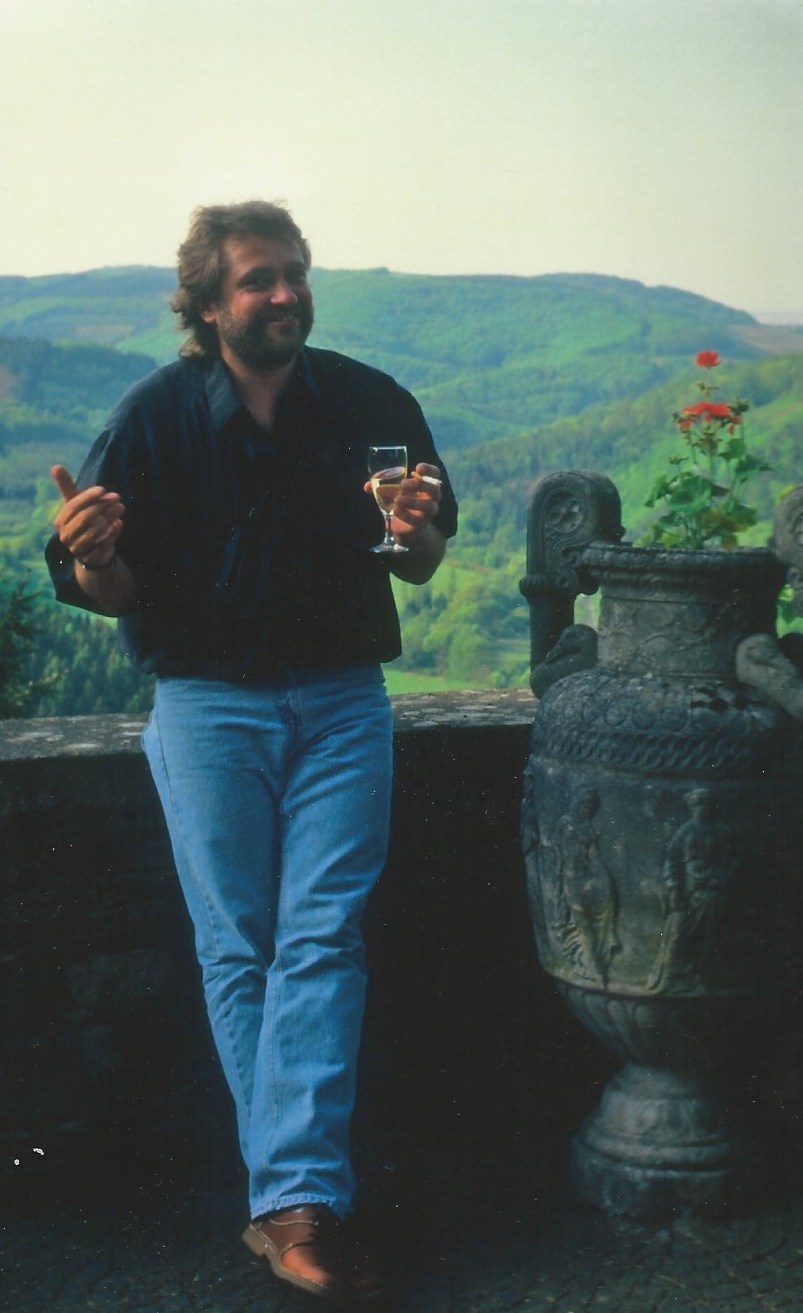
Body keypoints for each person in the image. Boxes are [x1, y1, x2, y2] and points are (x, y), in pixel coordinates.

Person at [45, 201, 458, 1304]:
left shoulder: (371, 402)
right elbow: (109, 587)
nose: (284, 294)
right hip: (207, 703)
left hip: (342, 698)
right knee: (242, 944)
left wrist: (410, 530)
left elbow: (416, 558)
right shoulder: (152, 417)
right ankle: (296, 1201)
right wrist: (92, 557)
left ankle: (292, 1202)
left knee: (322, 933)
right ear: (206, 304)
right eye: (258, 279)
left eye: (294, 273)